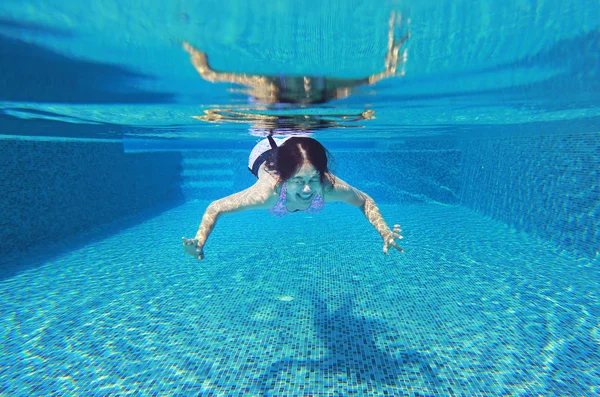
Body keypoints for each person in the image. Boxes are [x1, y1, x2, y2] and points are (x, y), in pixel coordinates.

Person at [183, 136, 404, 259]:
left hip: (297, 148)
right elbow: (216, 207)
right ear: (284, 179)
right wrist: (200, 242)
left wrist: (384, 232)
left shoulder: (328, 186)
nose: (308, 190)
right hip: (263, 152)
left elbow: (364, 199)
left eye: (314, 179)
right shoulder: (268, 193)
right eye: (298, 181)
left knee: (305, 151)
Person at [182, 12, 409, 105]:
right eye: (308, 94)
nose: (307, 86)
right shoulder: (330, 88)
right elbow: (371, 80)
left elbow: (211, 75)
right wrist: (393, 57)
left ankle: (184, 28)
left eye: (303, 92)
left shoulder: (266, 86)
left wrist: (190, 43)